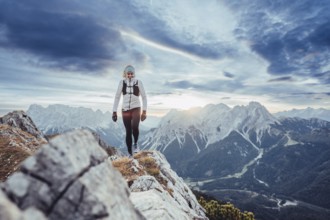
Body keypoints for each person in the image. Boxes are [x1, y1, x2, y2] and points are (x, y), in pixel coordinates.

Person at [112, 65, 147, 158]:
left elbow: (144, 97)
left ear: (134, 74)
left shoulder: (139, 82)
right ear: (125, 74)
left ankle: (135, 144)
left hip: (136, 107)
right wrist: (114, 112)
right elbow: (117, 97)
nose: (130, 75)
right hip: (125, 109)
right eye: (128, 74)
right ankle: (129, 153)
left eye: (132, 74)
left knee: (135, 126)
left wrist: (144, 111)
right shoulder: (122, 83)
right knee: (128, 131)